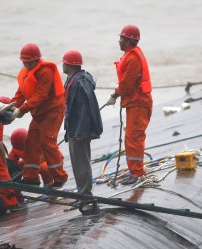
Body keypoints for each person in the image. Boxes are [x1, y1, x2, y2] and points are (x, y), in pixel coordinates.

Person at [10, 43, 68, 187]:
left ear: (36, 60)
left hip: (53, 111)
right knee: (31, 142)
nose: (26, 65)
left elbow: (40, 95)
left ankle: (60, 177)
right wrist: (10, 107)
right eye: (24, 63)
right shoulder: (26, 73)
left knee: (47, 142)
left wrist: (22, 110)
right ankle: (31, 177)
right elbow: (20, 93)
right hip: (39, 113)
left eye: (29, 63)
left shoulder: (45, 71)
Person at [102, 24, 153, 184]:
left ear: (129, 41)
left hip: (139, 103)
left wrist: (114, 94)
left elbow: (127, 85)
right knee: (131, 138)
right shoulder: (130, 55)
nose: (119, 41)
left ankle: (137, 173)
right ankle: (134, 171)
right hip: (135, 102)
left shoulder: (132, 58)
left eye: (121, 38)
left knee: (134, 138)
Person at [61, 50, 103, 211]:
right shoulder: (74, 79)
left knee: (81, 162)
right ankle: (81, 194)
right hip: (74, 129)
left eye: (64, 63)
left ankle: (85, 195)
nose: (62, 66)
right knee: (77, 162)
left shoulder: (80, 83)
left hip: (79, 131)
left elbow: (84, 109)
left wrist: (80, 131)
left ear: (70, 65)